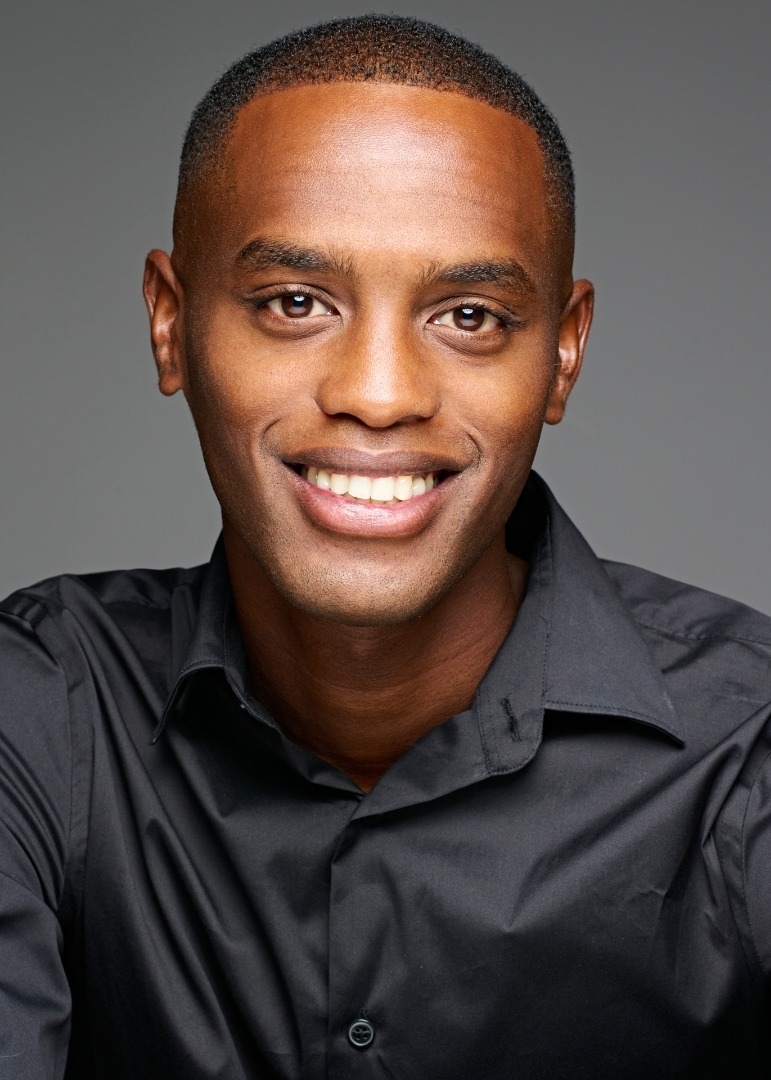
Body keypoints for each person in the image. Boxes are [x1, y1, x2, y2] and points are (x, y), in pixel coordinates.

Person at [0, 13, 769, 1079]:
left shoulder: (747, 757)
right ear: (170, 323)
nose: (377, 394)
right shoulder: (37, 715)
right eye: (295, 303)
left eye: (470, 317)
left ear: (562, 354)